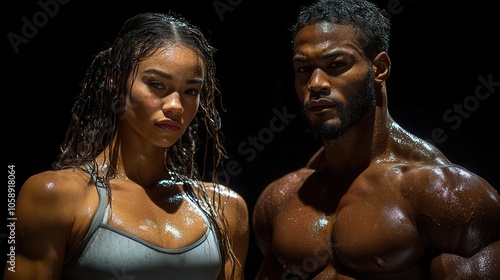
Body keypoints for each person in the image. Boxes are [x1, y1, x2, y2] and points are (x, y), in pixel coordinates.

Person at [252, 0, 500, 279]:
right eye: (303, 69)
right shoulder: (281, 198)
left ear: (379, 69)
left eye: (336, 64)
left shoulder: (446, 194)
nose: (316, 83)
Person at [5, 12, 249, 280]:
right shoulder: (55, 197)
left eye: (190, 91)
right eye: (157, 84)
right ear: (116, 81)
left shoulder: (225, 208)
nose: (176, 106)